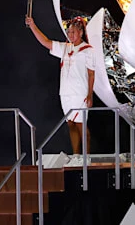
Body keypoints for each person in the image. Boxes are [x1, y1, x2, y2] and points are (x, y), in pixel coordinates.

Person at [26, 15, 95, 165]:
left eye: (73, 32)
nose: (70, 35)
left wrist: (90, 95)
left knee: (81, 125)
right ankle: (76, 156)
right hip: (65, 93)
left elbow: (91, 74)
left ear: (80, 33)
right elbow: (45, 42)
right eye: (69, 32)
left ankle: (86, 157)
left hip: (80, 93)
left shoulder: (88, 50)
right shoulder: (65, 48)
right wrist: (32, 26)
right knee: (70, 124)